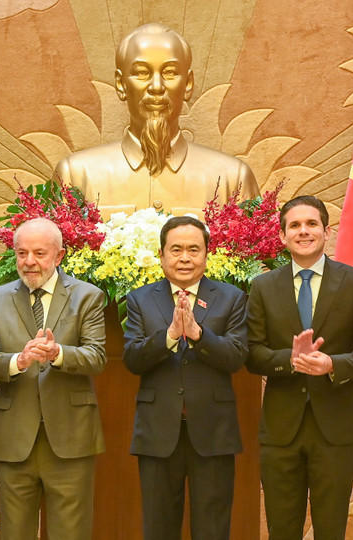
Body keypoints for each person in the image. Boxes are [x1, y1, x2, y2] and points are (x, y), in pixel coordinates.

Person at [246, 195, 353, 539]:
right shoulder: (263, 286)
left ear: (327, 232)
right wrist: (289, 360)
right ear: (282, 236)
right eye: (294, 225)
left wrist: (332, 364)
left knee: (330, 528)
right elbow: (251, 354)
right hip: (281, 429)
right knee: (282, 528)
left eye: (311, 224)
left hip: (336, 426)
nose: (303, 231)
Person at [0, 217, 107, 540]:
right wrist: (19, 360)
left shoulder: (87, 296)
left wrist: (57, 353)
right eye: (21, 253)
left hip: (71, 438)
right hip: (14, 438)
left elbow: (97, 357)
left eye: (39, 254)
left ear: (59, 256)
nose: (29, 262)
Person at [123, 215, 247, 540]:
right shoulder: (140, 299)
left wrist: (197, 334)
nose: (185, 258)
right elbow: (133, 359)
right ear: (162, 255)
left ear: (207, 254)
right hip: (158, 431)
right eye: (176, 249)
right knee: (160, 528)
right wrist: (168, 336)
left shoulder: (231, 298)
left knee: (213, 529)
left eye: (194, 249)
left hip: (213, 431)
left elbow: (236, 356)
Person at [55, 23, 259, 218]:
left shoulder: (233, 179)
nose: (156, 86)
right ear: (120, 84)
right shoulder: (76, 176)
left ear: (188, 84)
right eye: (142, 73)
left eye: (169, 73)